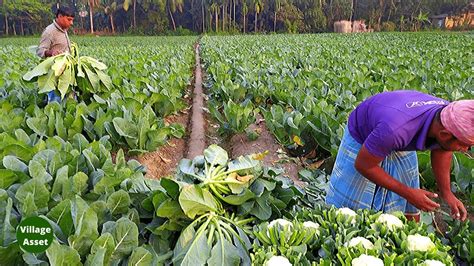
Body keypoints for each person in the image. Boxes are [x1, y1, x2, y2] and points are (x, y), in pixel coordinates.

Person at [326, 90, 472, 222]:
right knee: (348, 212)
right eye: (464, 144)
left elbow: (442, 149)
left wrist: (447, 193)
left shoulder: (447, 117)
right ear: (445, 135)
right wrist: (409, 193)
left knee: (406, 210)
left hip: (396, 131)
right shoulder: (395, 130)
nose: (466, 149)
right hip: (364, 133)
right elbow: (363, 165)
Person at [36, 6, 75, 102]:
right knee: (55, 102)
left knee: (69, 101)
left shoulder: (63, 29)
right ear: (60, 17)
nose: (71, 23)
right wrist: (50, 52)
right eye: (69, 20)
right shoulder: (50, 31)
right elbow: (40, 51)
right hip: (54, 74)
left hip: (66, 73)